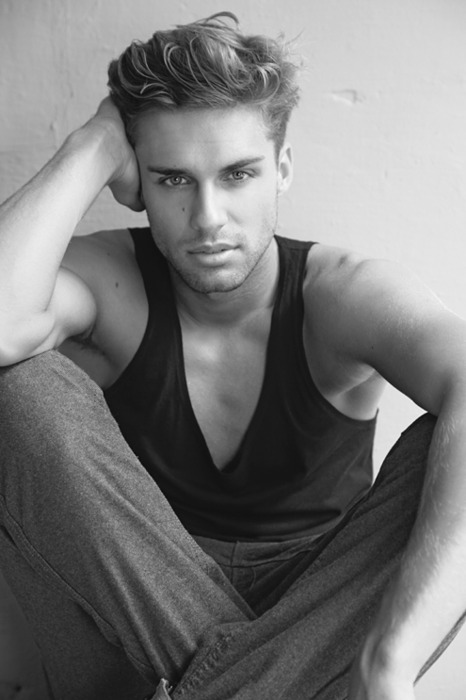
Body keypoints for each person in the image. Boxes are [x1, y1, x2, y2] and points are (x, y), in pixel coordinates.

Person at [0, 11, 466, 700]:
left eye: (238, 174)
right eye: (174, 180)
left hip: (324, 616)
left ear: (282, 169)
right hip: (135, 615)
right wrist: (94, 142)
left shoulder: (339, 295)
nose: (209, 218)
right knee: (20, 390)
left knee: (452, 442)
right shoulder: (113, 281)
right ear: (137, 184)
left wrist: (389, 661)